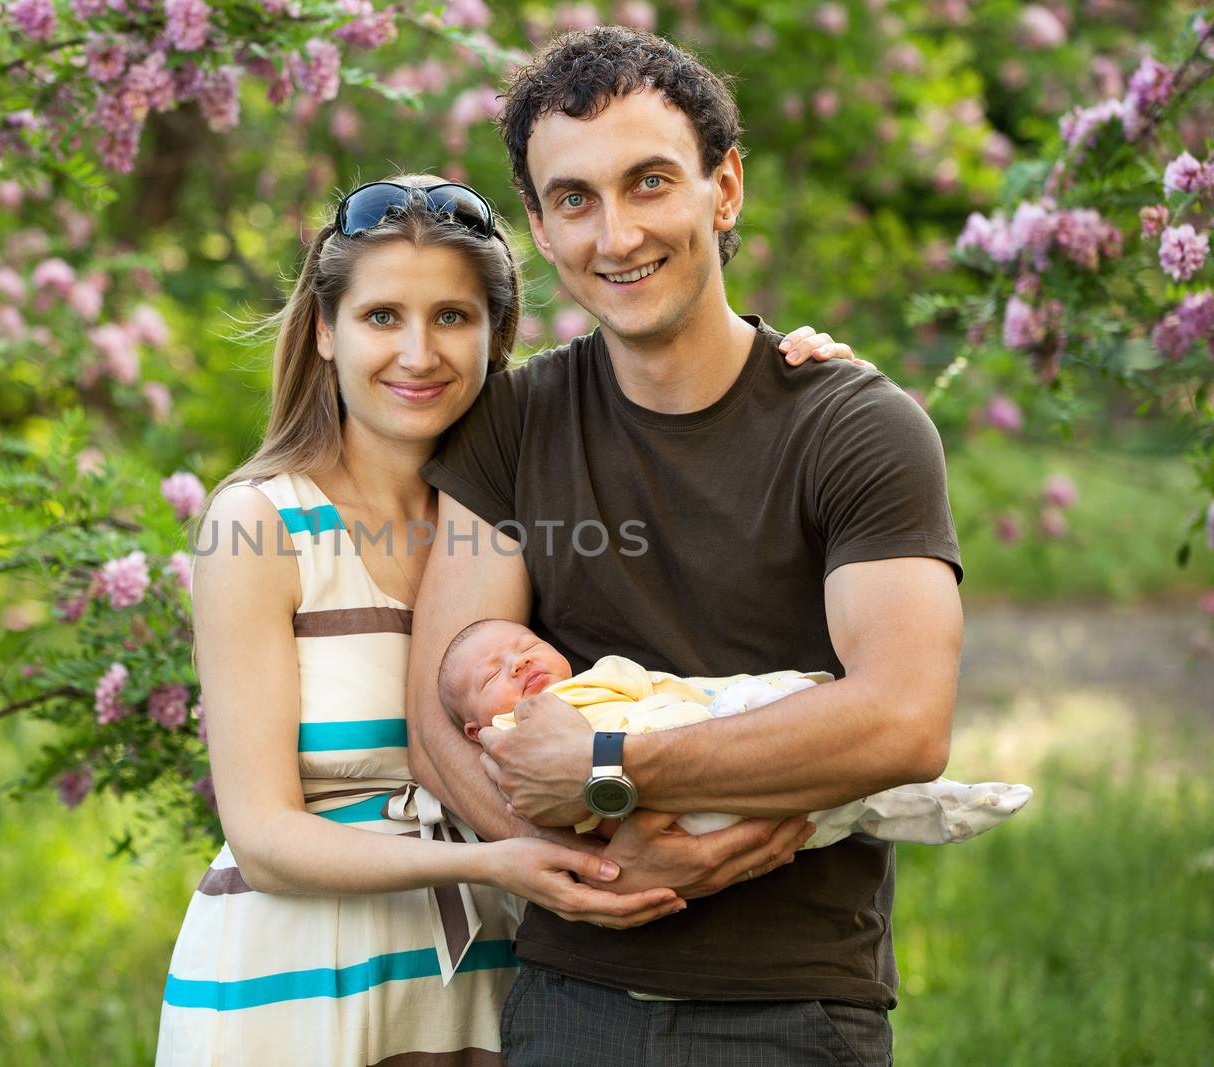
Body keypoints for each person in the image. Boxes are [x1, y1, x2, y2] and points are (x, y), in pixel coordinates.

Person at [155, 173, 863, 1066]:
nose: (419, 353)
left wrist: (794, 380)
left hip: (488, 982)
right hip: (305, 988)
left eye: (452, 317)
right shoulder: (261, 524)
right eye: (381, 317)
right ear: (324, 330)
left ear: (496, 337)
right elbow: (264, 839)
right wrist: (484, 862)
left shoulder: (530, 494)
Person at [406, 27, 967, 1067]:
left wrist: (614, 765)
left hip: (791, 1011)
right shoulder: (511, 424)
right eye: (573, 198)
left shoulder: (857, 426)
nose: (615, 235)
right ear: (536, 223)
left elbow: (902, 718)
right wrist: (598, 866)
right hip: (566, 1001)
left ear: (725, 187)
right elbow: (436, 714)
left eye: (649, 182)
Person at [438, 618, 1029, 846]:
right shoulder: (508, 741)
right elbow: (544, 804)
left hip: (705, 742)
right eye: (493, 673)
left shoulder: (605, 677)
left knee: (819, 795)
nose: (516, 663)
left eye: (526, 647)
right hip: (664, 823)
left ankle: (927, 806)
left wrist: (757, 693)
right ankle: (915, 807)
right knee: (809, 813)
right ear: (475, 726)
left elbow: (692, 687)